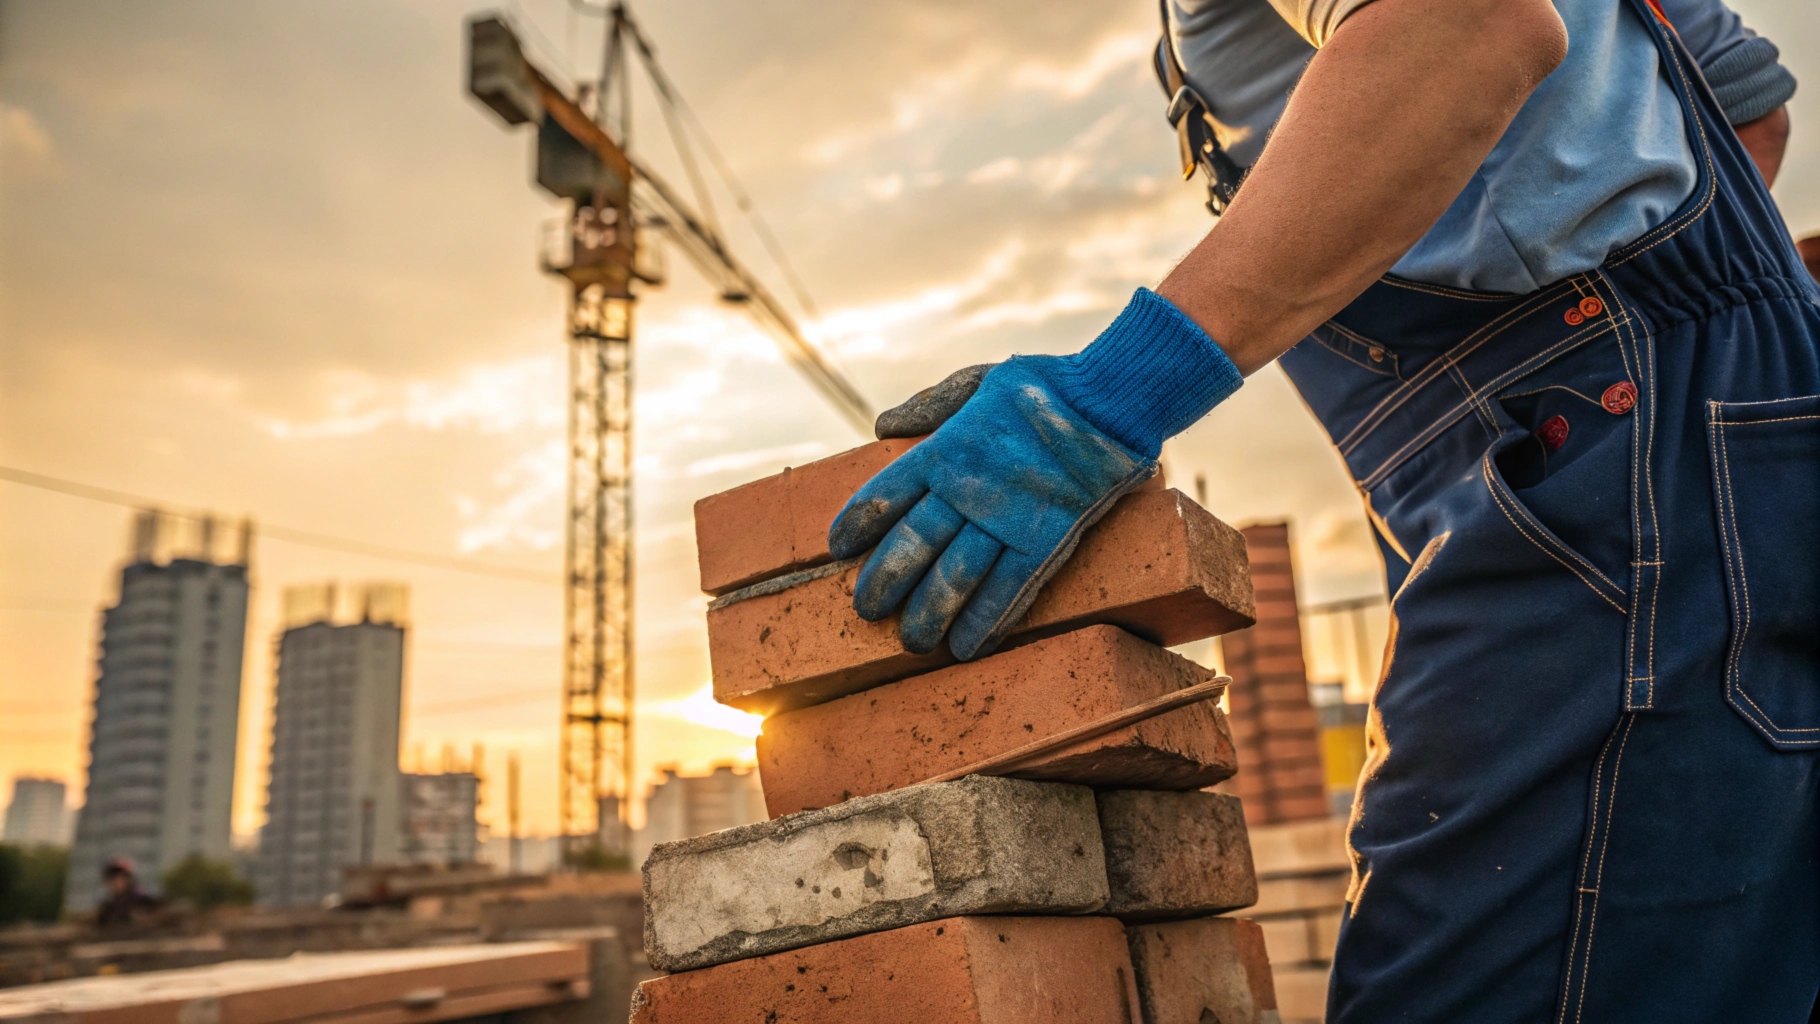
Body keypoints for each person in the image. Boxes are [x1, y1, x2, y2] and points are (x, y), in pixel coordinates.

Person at [827, 0, 1815, 1017]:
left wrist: (1106, 401)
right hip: (1669, 452)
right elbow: (1746, 113)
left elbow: (1471, 23)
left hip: (1609, 476)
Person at [94, 855, 160, 928]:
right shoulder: (108, 909)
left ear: (129, 878)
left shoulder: (143, 901)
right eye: (112, 878)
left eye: (120, 877)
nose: (115, 882)